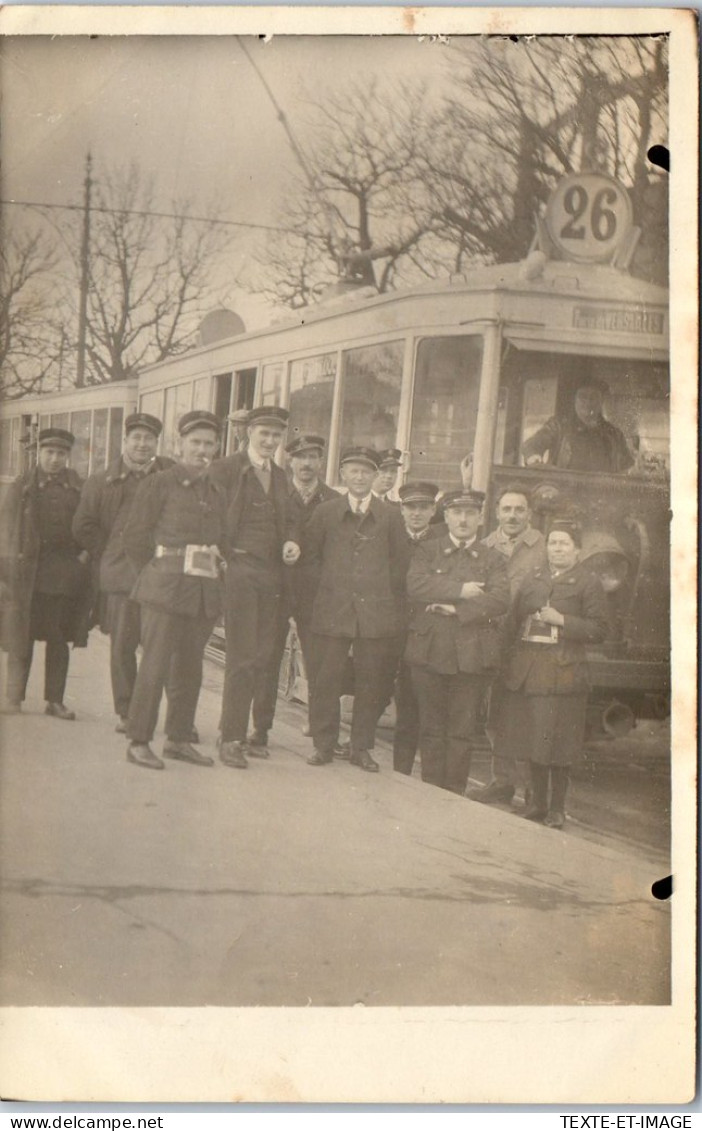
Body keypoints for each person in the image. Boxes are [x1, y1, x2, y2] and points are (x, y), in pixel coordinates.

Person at [122, 410, 227, 770]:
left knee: (189, 668)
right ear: (180, 445)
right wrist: (156, 574)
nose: (202, 450)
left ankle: (179, 739)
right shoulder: (160, 483)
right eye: (195, 442)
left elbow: (220, 539)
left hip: (201, 591)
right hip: (164, 589)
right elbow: (135, 538)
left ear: (217, 447)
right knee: (154, 664)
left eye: (209, 444)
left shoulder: (216, 489)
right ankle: (138, 740)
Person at [304, 447, 409, 772]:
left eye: (366, 472)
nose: (360, 477)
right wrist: (331, 590)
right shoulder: (326, 512)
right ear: (343, 475)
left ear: (375, 476)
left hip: (374, 614)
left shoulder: (390, 516)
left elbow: (399, 563)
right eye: (353, 471)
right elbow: (311, 558)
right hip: (333, 610)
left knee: (371, 681)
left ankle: (361, 747)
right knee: (326, 679)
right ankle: (324, 744)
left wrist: (376, 595)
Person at [498, 519, 609, 828]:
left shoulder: (588, 582)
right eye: (552, 543)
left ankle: (557, 809)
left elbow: (601, 629)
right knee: (533, 738)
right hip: (530, 670)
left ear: (577, 551)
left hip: (564, 674)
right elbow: (513, 620)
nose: (557, 549)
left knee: (559, 744)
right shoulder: (534, 578)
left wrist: (563, 620)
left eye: (564, 544)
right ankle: (536, 804)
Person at [72, 412, 174, 732]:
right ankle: (127, 710)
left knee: (164, 646)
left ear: (156, 443)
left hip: (161, 574)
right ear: (125, 441)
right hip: (121, 577)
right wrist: (112, 550)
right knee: (123, 645)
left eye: (149, 439)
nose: (142, 445)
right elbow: (82, 526)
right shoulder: (102, 480)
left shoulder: (170, 475)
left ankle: (174, 717)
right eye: (137, 438)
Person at [211, 406, 300, 768]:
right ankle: (230, 736)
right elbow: (212, 516)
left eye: (276, 435)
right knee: (242, 655)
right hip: (240, 570)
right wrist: (222, 556)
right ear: (249, 432)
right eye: (264, 433)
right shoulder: (227, 469)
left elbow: (292, 519)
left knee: (266, 655)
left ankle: (255, 731)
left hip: (273, 575)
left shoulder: (280, 477)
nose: (270, 441)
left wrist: (293, 541)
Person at [405, 489, 510, 794]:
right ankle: (430, 792)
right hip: (429, 651)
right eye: (456, 513)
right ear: (447, 517)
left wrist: (455, 608)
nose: (463, 520)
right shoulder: (428, 550)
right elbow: (415, 584)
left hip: (472, 654)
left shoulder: (493, 559)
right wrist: (463, 590)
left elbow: (501, 598)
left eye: (470, 514)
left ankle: (454, 795)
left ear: (480, 518)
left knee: (462, 731)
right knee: (432, 728)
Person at [248, 433, 339, 749]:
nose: (307, 464)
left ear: (320, 462)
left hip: (315, 595)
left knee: (319, 662)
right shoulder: (276, 494)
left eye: (314, 457)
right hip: (277, 588)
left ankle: (321, 733)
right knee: (267, 658)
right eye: (301, 457)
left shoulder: (332, 500)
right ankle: (260, 728)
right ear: (290, 461)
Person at [0, 428, 91, 719]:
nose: (54, 459)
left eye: (61, 454)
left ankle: (55, 700)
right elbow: (6, 529)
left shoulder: (78, 487)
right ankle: (13, 697)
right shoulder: (22, 486)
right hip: (26, 573)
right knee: (20, 636)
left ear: (68, 456)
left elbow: (89, 524)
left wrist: (83, 555)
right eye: (49, 452)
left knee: (59, 637)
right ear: (39, 453)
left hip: (62, 575)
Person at [468, 485, 547, 805]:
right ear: (497, 513)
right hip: (494, 639)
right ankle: (502, 781)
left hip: (528, 642)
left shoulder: (544, 546)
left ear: (529, 514)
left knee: (526, 717)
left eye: (519, 510)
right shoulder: (486, 545)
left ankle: (532, 787)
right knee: (494, 714)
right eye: (506, 509)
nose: (512, 515)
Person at [392, 480, 441, 775]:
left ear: (433, 510)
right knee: (403, 706)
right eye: (411, 507)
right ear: (402, 509)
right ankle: (400, 772)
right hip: (395, 631)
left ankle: (428, 775)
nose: (417, 513)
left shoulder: (442, 541)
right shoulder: (392, 537)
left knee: (426, 706)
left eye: (423, 507)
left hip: (428, 634)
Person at [522, 378, 634, 473]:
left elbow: (627, 468)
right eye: (582, 396)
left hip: (601, 493)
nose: (587, 402)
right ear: (575, 400)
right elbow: (532, 445)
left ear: (601, 402)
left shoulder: (614, 434)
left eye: (593, 397)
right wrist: (533, 456)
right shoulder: (558, 426)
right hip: (563, 490)